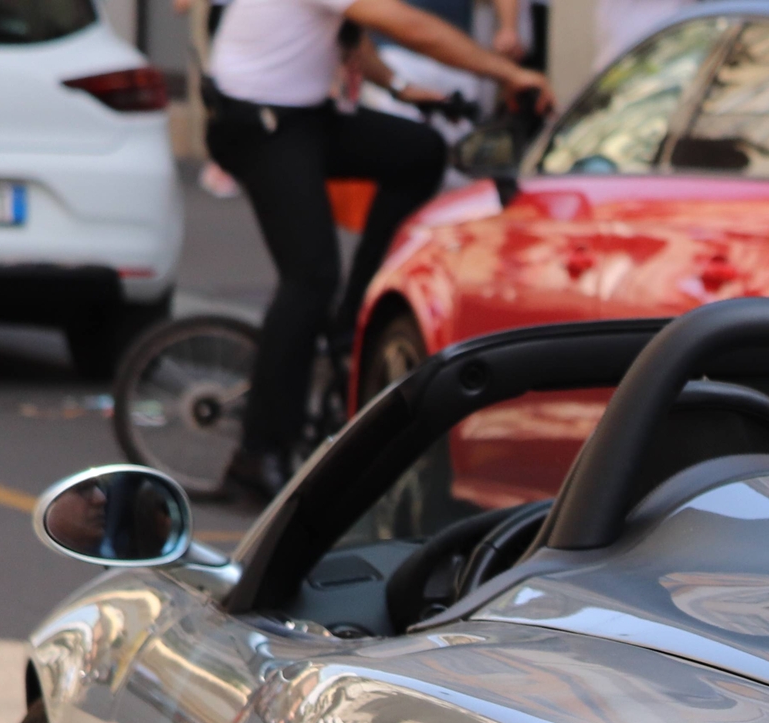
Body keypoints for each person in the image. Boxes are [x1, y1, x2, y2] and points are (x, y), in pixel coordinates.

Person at [206, 0, 554, 502]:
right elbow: (412, 27)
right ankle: (256, 455)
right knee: (309, 277)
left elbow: (350, 35)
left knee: (418, 151)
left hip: (303, 116)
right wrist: (508, 73)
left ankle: (351, 317)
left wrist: (399, 87)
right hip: (258, 125)